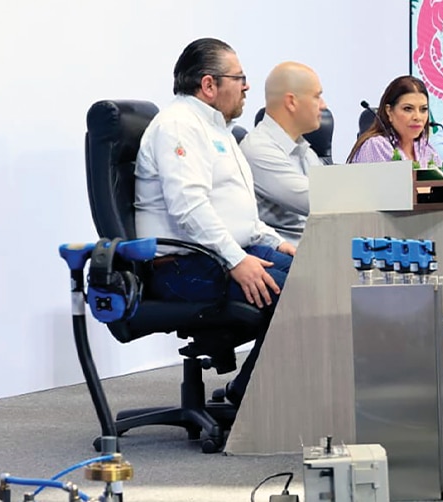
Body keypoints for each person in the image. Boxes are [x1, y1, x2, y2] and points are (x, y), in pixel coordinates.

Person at [134, 37, 296, 406]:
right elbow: (188, 207)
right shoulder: (179, 126)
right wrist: (236, 261)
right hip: (185, 267)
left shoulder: (216, 128)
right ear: (209, 85)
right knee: (298, 295)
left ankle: (253, 391)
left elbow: (235, 211)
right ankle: (254, 399)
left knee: (316, 276)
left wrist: (275, 242)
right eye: (239, 77)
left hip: (219, 255)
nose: (247, 86)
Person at [240, 62, 326, 246]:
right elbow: (318, 201)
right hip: (285, 258)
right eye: (317, 97)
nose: (323, 106)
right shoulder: (258, 149)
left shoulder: (306, 152)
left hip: (315, 253)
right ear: (291, 102)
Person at [347, 75, 441, 166]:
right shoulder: (376, 146)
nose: (417, 117)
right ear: (389, 111)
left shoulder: (427, 149)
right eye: (408, 109)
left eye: (423, 109)